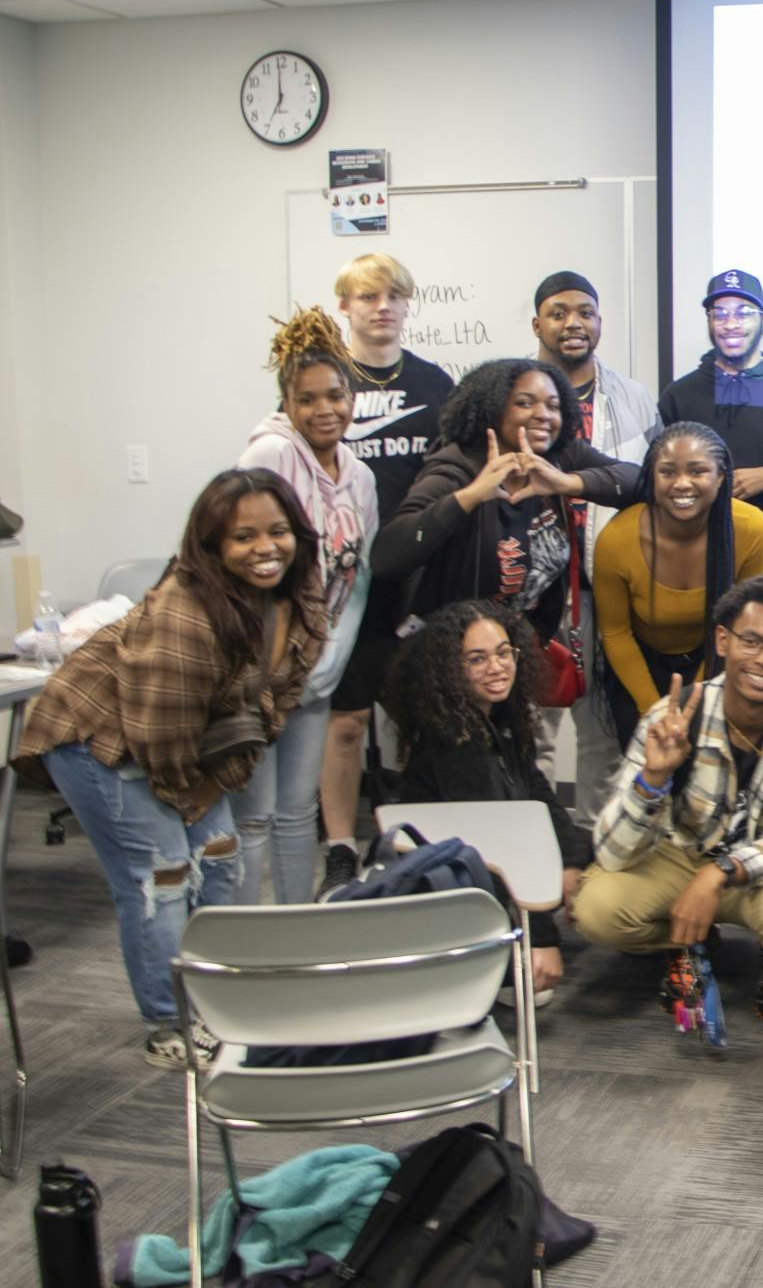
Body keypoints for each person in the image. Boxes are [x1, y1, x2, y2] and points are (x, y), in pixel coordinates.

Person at [12, 470, 326, 1069]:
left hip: (181, 742)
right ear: (211, 548)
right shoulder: (184, 612)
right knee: (163, 875)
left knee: (223, 857)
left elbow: (278, 704)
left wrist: (216, 786)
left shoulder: (300, 597)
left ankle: (222, 991)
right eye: (243, 538)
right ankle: (169, 1021)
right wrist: (193, 795)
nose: (266, 549)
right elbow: (162, 731)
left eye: (279, 531)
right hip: (100, 737)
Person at [573, 574, 763, 1020]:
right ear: (723, 641)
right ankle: (687, 936)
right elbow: (611, 854)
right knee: (596, 910)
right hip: (682, 856)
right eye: (751, 641)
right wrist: (653, 778)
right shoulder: (672, 716)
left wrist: (723, 872)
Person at [370, 359, 640, 708]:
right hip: (451, 663)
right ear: (493, 409)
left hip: (510, 657)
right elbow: (387, 555)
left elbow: (638, 480)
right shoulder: (456, 467)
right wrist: (470, 496)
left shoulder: (559, 457)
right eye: (525, 403)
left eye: (553, 405)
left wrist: (569, 482)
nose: (543, 414)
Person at [321, 252, 455, 890]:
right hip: (345, 585)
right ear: (344, 306)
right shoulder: (326, 385)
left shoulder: (434, 385)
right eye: (368, 297)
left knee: (420, 720)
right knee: (345, 722)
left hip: (418, 579)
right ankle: (341, 844)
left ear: (407, 306)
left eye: (394, 296)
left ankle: (413, 840)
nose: (382, 307)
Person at [235, 307, 378, 903]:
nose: (325, 410)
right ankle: (239, 943)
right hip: (261, 673)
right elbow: (241, 564)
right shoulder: (267, 459)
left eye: (337, 395)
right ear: (286, 404)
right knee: (252, 816)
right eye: (308, 399)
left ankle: (294, 931)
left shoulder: (361, 476)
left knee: (297, 812)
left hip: (317, 673)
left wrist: (324, 666)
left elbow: (357, 580)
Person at [386, 601, 593, 1005]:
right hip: (455, 896)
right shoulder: (453, 740)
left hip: (488, 873)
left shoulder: (499, 717)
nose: (497, 667)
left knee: (592, 843)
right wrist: (541, 941)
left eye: (503, 653)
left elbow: (537, 797)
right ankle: (494, 964)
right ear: (449, 668)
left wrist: (571, 859)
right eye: (477, 659)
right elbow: (495, 853)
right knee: (537, 992)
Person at [526, 269, 662, 818]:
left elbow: (646, 484)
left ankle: (591, 848)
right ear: (537, 324)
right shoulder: (514, 393)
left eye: (585, 312)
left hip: (604, 588)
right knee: (531, 728)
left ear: (600, 322)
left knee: (601, 731)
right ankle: (534, 849)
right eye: (558, 313)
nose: (573, 323)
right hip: (534, 592)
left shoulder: (633, 397)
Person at [592, 421, 763, 748]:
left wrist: (696, 701)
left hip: (717, 661)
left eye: (698, 471)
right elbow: (616, 634)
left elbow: (740, 625)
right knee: (648, 770)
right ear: (651, 477)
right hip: (640, 666)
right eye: (668, 472)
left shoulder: (751, 528)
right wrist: (654, 710)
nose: (682, 484)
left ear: (721, 478)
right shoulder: (617, 539)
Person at [656, 268, 763, 516]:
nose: (730, 324)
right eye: (720, 314)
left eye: (743, 313)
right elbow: (658, 472)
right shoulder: (679, 395)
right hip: (695, 543)